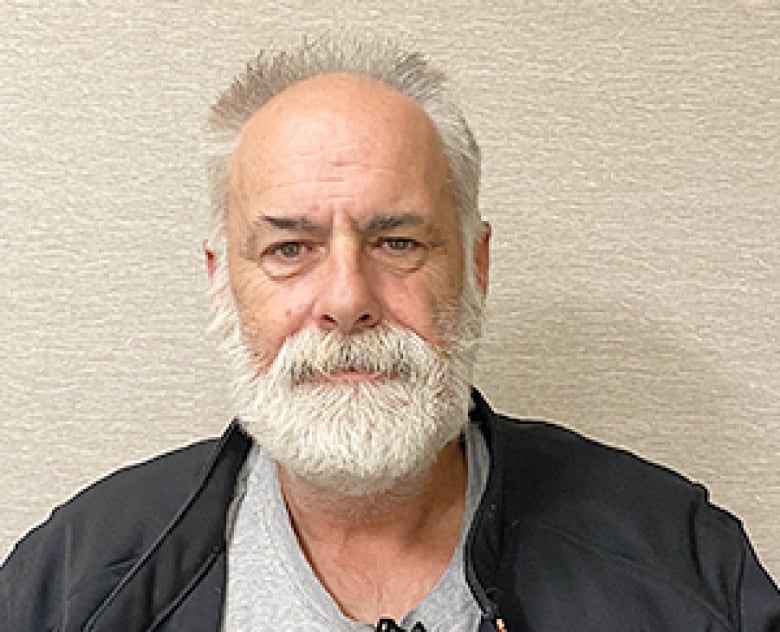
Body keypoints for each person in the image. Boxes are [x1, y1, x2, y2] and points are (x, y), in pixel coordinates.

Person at [1, 37, 779, 632]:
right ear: (220, 278)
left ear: (474, 264)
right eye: (289, 248)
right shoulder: (76, 580)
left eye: (397, 241)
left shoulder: (679, 564)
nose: (346, 298)